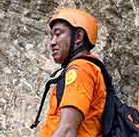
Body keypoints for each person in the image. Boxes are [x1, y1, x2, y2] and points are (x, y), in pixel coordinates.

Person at [36, 9, 106, 137]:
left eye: (58, 34)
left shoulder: (81, 69)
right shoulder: (87, 68)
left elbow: (67, 130)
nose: (52, 42)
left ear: (78, 36)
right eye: (51, 36)